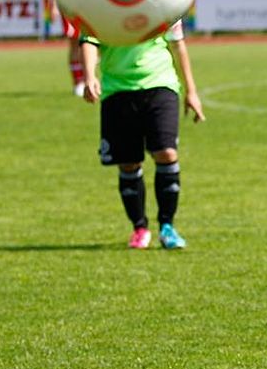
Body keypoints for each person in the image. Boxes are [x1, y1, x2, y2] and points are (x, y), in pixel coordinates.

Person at [80, 20, 205, 249]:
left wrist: (192, 91)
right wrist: (89, 75)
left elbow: (178, 45)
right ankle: (139, 227)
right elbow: (89, 40)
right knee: (128, 163)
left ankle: (167, 226)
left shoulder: (164, 4)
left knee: (166, 153)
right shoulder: (101, 5)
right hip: (117, 89)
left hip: (160, 85)